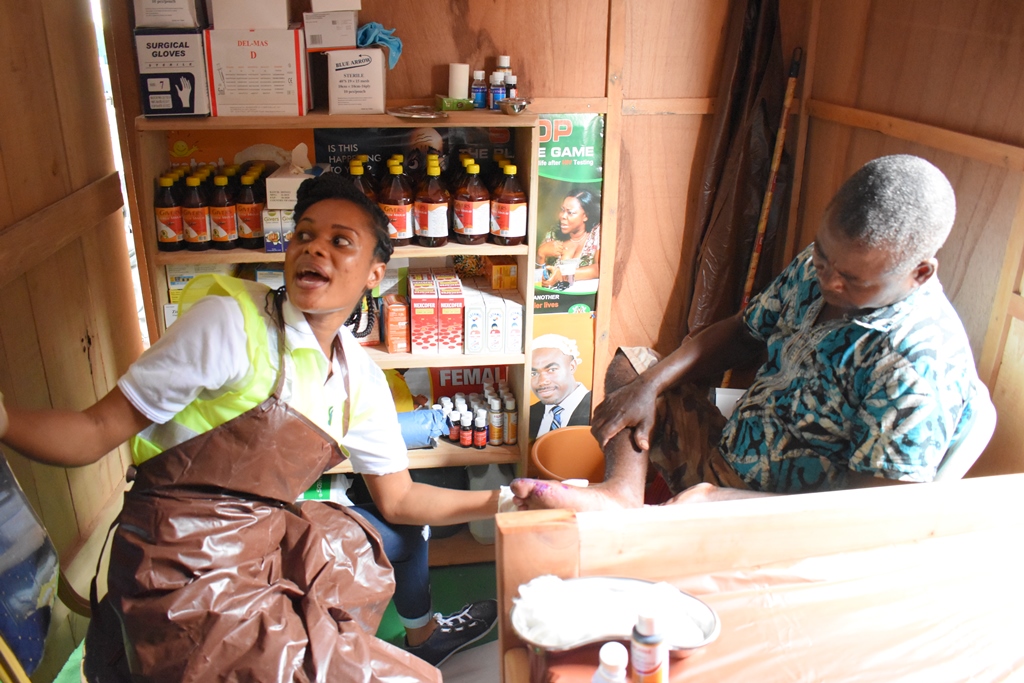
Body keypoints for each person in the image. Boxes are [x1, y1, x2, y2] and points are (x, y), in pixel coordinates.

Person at [0, 173, 497, 680]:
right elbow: (95, 429)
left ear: (375, 273)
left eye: (339, 241)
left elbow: (400, 500)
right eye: (304, 235)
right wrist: (5, 421)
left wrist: (501, 502)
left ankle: (407, 635)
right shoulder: (230, 324)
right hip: (178, 561)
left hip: (263, 539)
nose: (314, 249)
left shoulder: (358, 376)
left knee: (373, 546)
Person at [512, 155, 981, 511]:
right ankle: (621, 497)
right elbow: (743, 333)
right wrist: (648, 387)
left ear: (919, 272)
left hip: (776, 517)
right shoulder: (827, 264)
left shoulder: (916, 363)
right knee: (632, 368)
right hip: (729, 449)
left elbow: (872, 516)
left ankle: (644, 511)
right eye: (822, 259)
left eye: (853, 281)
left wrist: (726, 503)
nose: (829, 282)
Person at [529, 334, 593, 440]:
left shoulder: (598, 409)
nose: (542, 381)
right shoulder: (530, 414)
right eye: (533, 374)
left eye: (552, 370)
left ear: (572, 367)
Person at [537, 189, 601, 287]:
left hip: (586, 299)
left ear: (585, 216)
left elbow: (599, 269)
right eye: (562, 210)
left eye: (570, 212)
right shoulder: (553, 235)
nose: (563, 216)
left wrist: (563, 275)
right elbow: (539, 280)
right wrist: (541, 254)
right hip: (556, 299)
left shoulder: (596, 234)